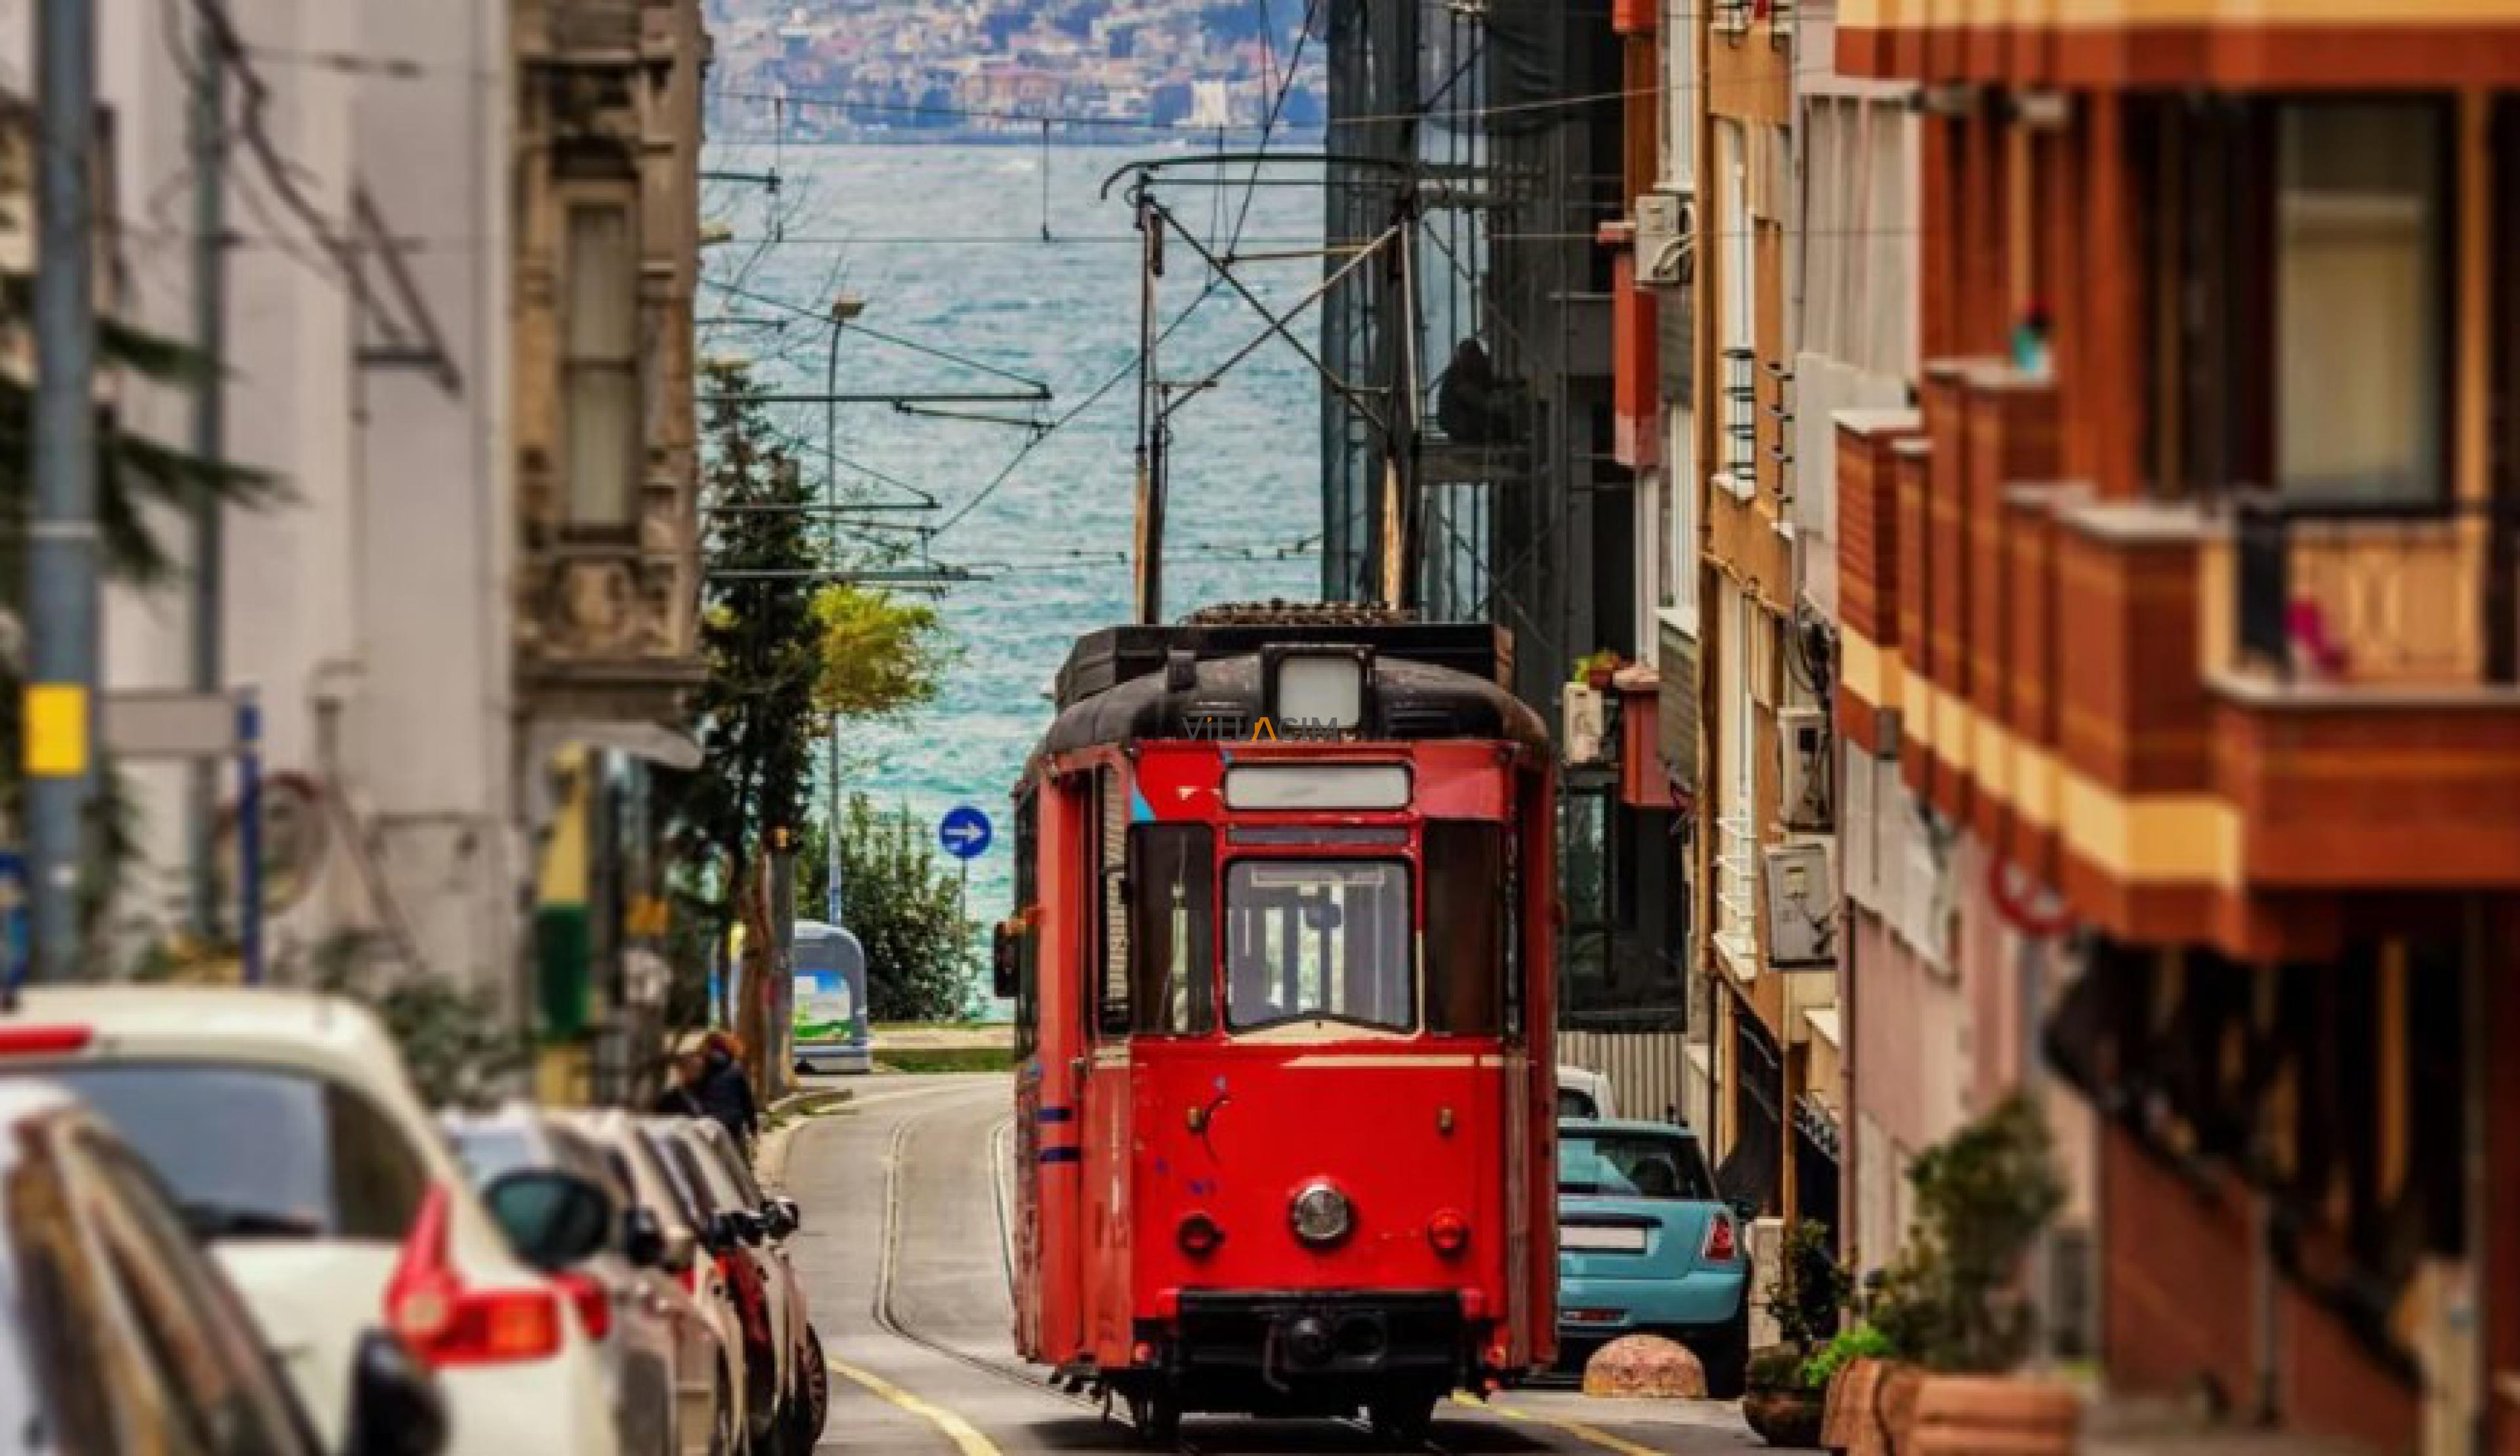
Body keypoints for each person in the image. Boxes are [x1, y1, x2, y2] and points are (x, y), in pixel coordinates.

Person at [693, 1031, 760, 1152]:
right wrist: (753, 1128)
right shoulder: (736, 1071)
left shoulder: (699, 1071)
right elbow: (747, 1103)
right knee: (739, 1163)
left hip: (705, 1125)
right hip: (732, 1125)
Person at [651, 1049, 707, 1118]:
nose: (697, 1073)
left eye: (700, 1070)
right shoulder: (669, 1099)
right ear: (681, 1070)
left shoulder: (707, 1093)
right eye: (693, 1068)